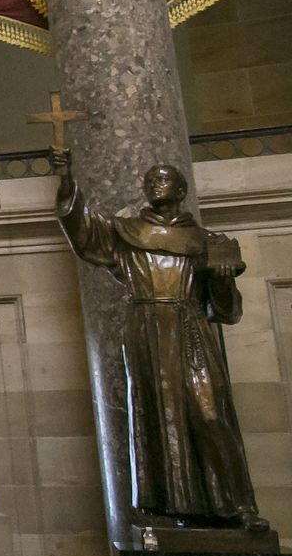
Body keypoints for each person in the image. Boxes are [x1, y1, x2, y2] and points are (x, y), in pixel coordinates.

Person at [53, 149, 268, 531]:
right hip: (146, 326)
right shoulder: (127, 234)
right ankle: (169, 508)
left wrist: (220, 279)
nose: (156, 184)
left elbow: (227, 312)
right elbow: (84, 230)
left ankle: (237, 507)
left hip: (189, 326)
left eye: (164, 178)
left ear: (182, 189)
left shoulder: (207, 240)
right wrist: (66, 180)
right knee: (157, 415)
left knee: (208, 411)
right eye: (151, 180)